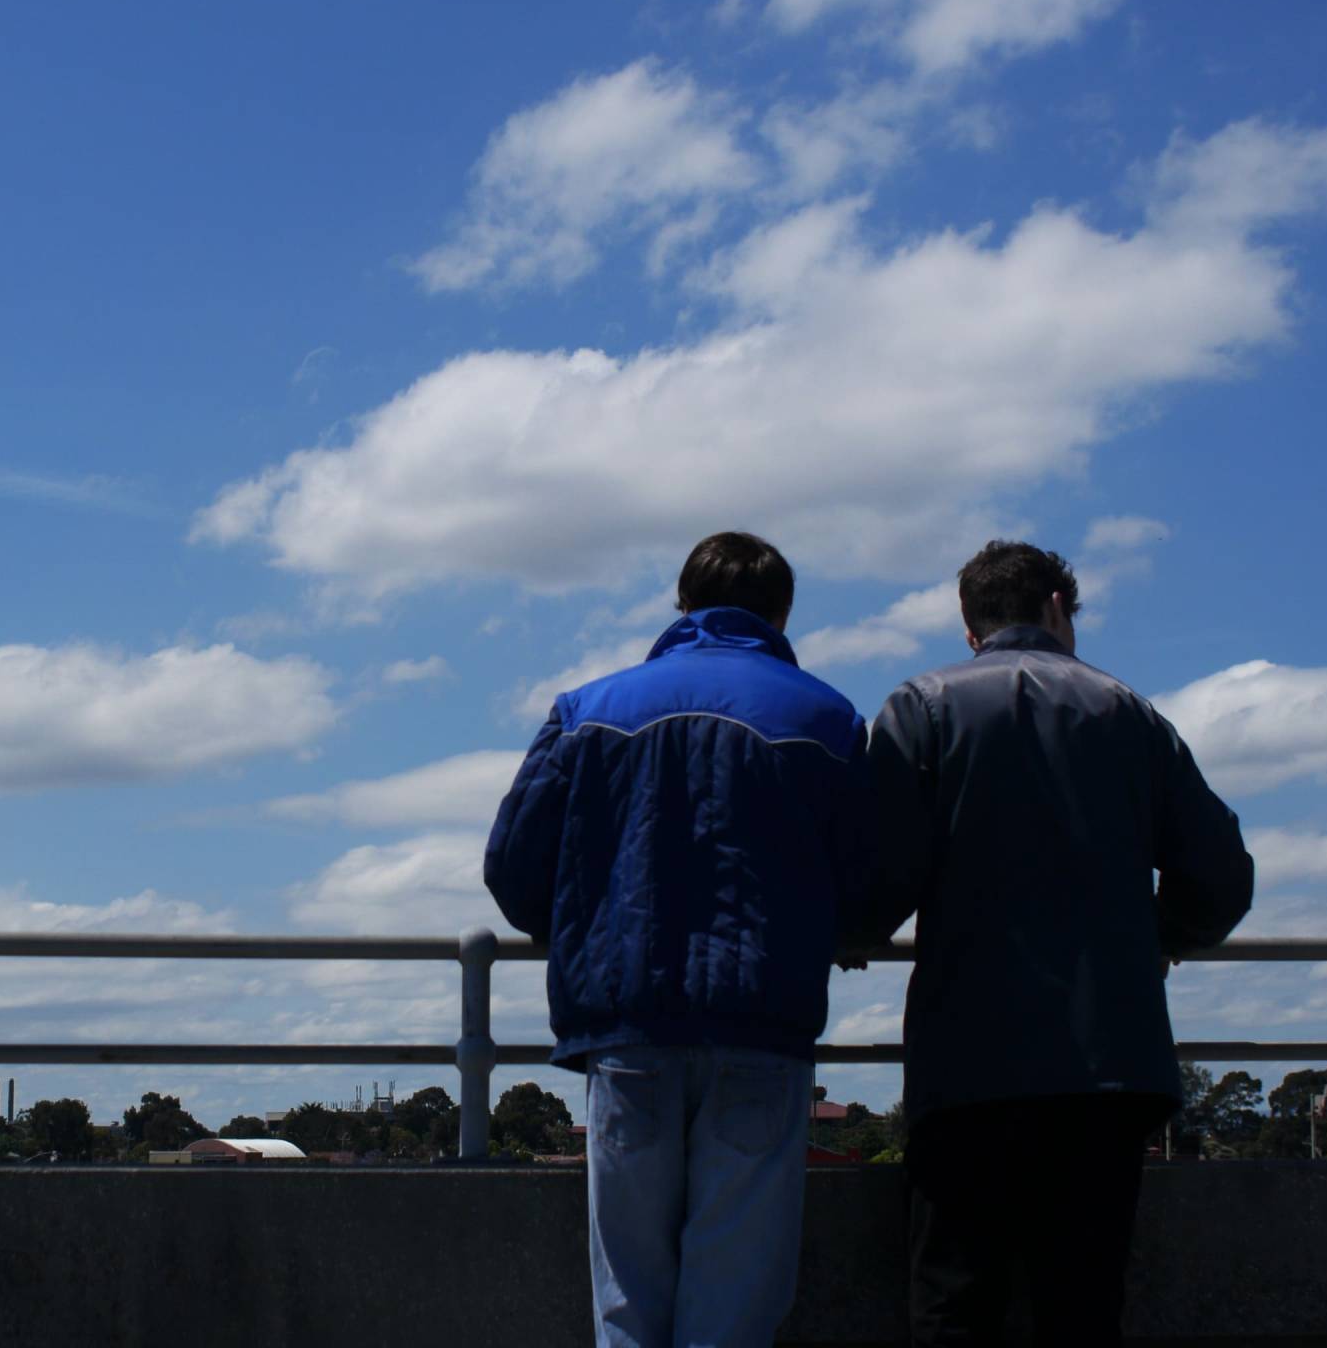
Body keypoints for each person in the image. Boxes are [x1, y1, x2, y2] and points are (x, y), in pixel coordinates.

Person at [844, 540, 1253, 1346]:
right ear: (1059, 608)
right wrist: (1160, 936)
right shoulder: (1128, 710)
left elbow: (879, 877)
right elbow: (1221, 876)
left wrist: (850, 931)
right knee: (1082, 1306)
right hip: (1109, 1066)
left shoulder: (920, 707)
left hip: (968, 1063)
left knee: (956, 1303)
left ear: (970, 629)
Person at [486, 531, 872, 1348]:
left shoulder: (589, 709)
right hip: (763, 1024)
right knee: (733, 1306)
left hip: (628, 1026)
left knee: (628, 1297)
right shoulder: (828, 718)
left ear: (682, 605)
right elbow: (872, 878)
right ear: (782, 613)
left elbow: (514, 868)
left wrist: (582, 932)